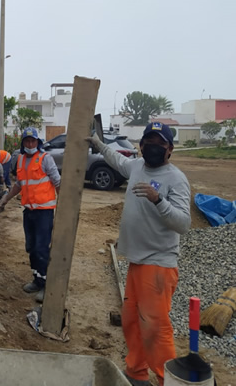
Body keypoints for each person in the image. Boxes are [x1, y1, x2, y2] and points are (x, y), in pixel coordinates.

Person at [88, 122, 191, 386]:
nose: (153, 146)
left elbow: (183, 224)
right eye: (149, 141)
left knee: (155, 329)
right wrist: (98, 144)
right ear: (141, 145)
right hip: (137, 262)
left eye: (160, 143)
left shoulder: (176, 179)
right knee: (132, 322)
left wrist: (159, 200)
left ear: (170, 148)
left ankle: (168, 380)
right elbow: (116, 160)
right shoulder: (136, 167)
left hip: (158, 265)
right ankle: (136, 374)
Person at [0, 127, 61, 303]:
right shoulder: (21, 160)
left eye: (33, 141)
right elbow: (19, 184)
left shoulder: (45, 159)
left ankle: (46, 285)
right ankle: (37, 280)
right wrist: (5, 199)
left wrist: (63, 207)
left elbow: (57, 182)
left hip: (44, 212)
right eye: (27, 141)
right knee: (31, 247)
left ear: (37, 142)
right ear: (23, 143)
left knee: (41, 248)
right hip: (29, 211)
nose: (30, 144)